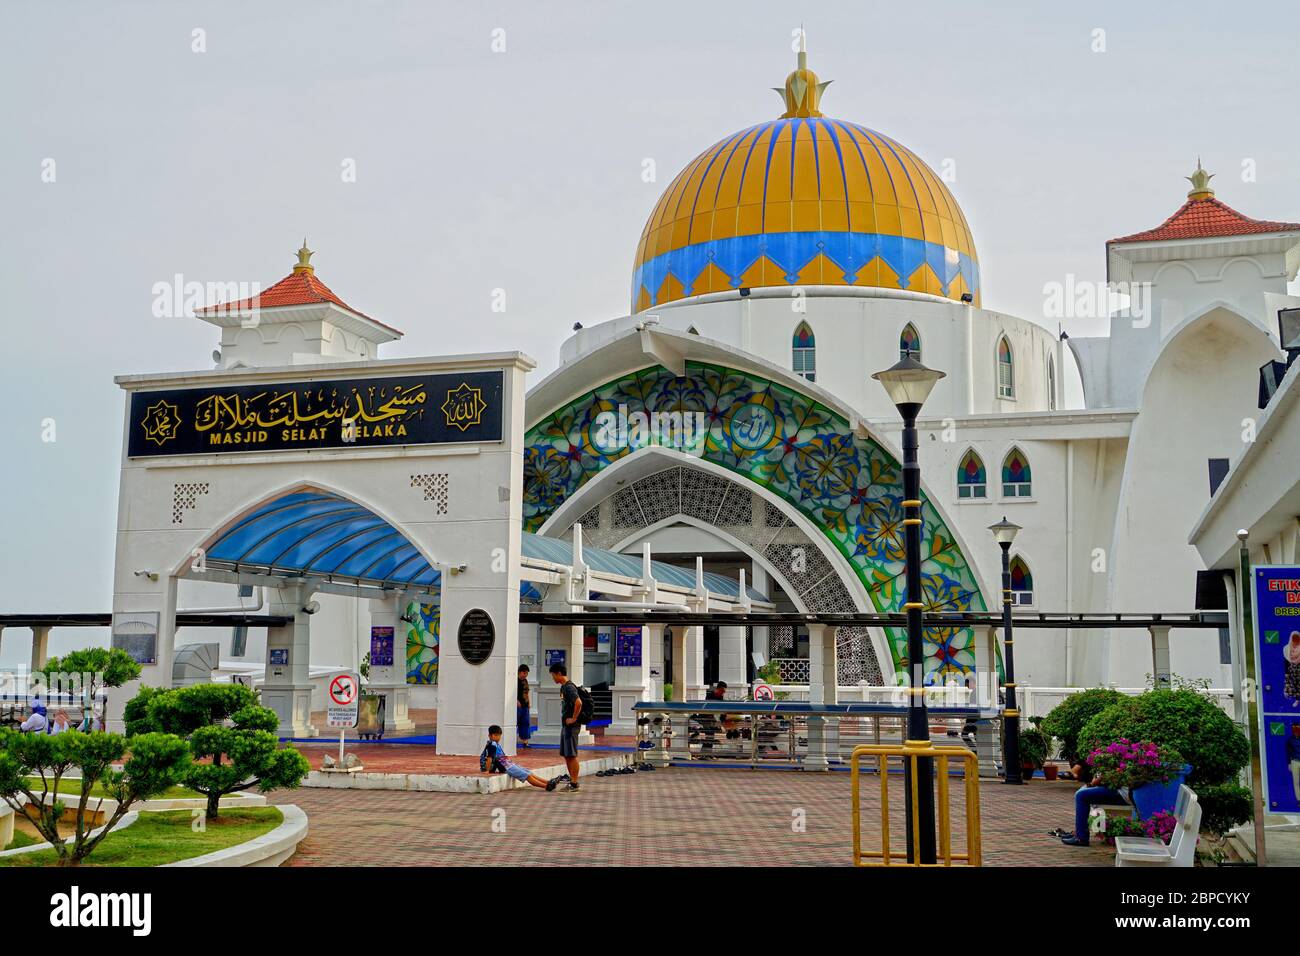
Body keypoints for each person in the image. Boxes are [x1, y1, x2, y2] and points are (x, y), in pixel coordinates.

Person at [1057, 769, 1127, 846]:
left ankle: (1081, 837)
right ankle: (1079, 832)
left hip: (1123, 792)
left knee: (1081, 796)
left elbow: (1113, 773)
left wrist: (1093, 783)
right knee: (1083, 791)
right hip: (1121, 790)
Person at [482, 725, 560, 791]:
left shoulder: (495, 744)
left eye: (499, 735)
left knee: (528, 772)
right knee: (527, 776)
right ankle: (546, 786)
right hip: (506, 767)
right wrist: (487, 770)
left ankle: (547, 782)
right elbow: (490, 758)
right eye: (495, 735)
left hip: (508, 763)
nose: (497, 737)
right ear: (490, 736)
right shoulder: (492, 745)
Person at [549, 663, 582, 792]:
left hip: (571, 726)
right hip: (566, 726)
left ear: (559, 673)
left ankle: (574, 783)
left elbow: (578, 702)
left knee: (571, 754)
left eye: (553, 675)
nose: (553, 678)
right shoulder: (563, 687)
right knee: (567, 754)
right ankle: (572, 781)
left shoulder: (569, 687)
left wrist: (573, 718)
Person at [517, 664, 532, 748]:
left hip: (525, 705)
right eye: (524, 673)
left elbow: (527, 693)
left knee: (526, 722)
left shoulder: (525, 681)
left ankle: (525, 742)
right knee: (517, 722)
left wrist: (529, 702)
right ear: (520, 672)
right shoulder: (515, 681)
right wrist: (515, 701)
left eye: (526, 673)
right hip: (518, 705)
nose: (525, 675)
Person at [1289, 723, 1300, 802]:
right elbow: (1289, 752)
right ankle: (1299, 799)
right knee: (1296, 782)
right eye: (1294, 729)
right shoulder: (1290, 740)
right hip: (1294, 762)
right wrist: (1289, 763)